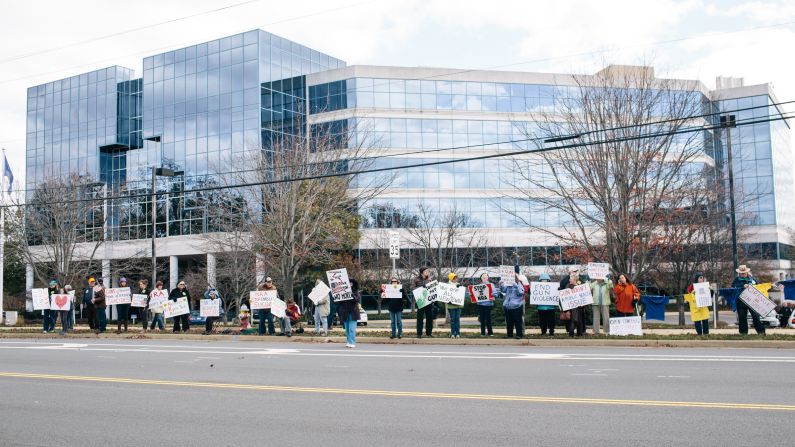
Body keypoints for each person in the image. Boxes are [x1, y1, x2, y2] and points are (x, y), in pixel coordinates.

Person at [732, 264, 765, 335]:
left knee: (756, 317)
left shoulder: (752, 279)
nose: (743, 274)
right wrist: (742, 286)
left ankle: (761, 332)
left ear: (747, 272)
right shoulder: (736, 280)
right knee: (742, 317)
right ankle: (743, 333)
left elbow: (758, 286)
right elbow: (733, 288)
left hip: (752, 301)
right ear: (739, 273)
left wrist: (752, 286)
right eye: (741, 273)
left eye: (744, 273)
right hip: (741, 301)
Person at [560, 266, 587, 337]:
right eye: (570, 278)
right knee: (574, 319)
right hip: (571, 306)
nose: (569, 280)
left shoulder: (581, 283)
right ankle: (571, 332)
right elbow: (564, 295)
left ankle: (579, 333)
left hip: (580, 305)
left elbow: (585, 293)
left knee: (580, 319)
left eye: (571, 279)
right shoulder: (567, 284)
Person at [500, 270, 526, 339]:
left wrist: (516, 286)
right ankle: (509, 335)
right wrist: (501, 285)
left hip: (517, 306)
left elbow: (521, 293)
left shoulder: (519, 284)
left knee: (518, 321)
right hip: (508, 306)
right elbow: (503, 291)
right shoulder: (507, 285)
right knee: (509, 322)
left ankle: (519, 335)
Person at [337, 279, 361, 348]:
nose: (349, 284)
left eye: (350, 283)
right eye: (348, 283)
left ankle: (352, 342)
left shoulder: (355, 291)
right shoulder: (342, 292)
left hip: (353, 313)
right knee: (347, 329)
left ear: (353, 284)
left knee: (351, 329)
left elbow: (357, 299)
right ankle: (348, 341)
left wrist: (351, 294)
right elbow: (338, 302)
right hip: (345, 313)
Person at [413, 267, 434, 338]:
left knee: (429, 317)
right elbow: (413, 288)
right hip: (421, 301)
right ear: (422, 272)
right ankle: (419, 333)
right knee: (420, 318)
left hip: (428, 301)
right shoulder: (417, 279)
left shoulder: (430, 279)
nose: (427, 272)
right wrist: (423, 286)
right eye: (426, 271)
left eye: (428, 271)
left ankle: (429, 333)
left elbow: (432, 289)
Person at [446, 272, 464, 339]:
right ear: (451, 278)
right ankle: (452, 333)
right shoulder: (447, 286)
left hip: (458, 306)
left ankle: (458, 333)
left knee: (457, 319)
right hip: (451, 306)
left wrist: (461, 288)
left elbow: (461, 295)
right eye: (454, 278)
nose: (455, 279)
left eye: (456, 278)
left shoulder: (459, 285)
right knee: (453, 320)